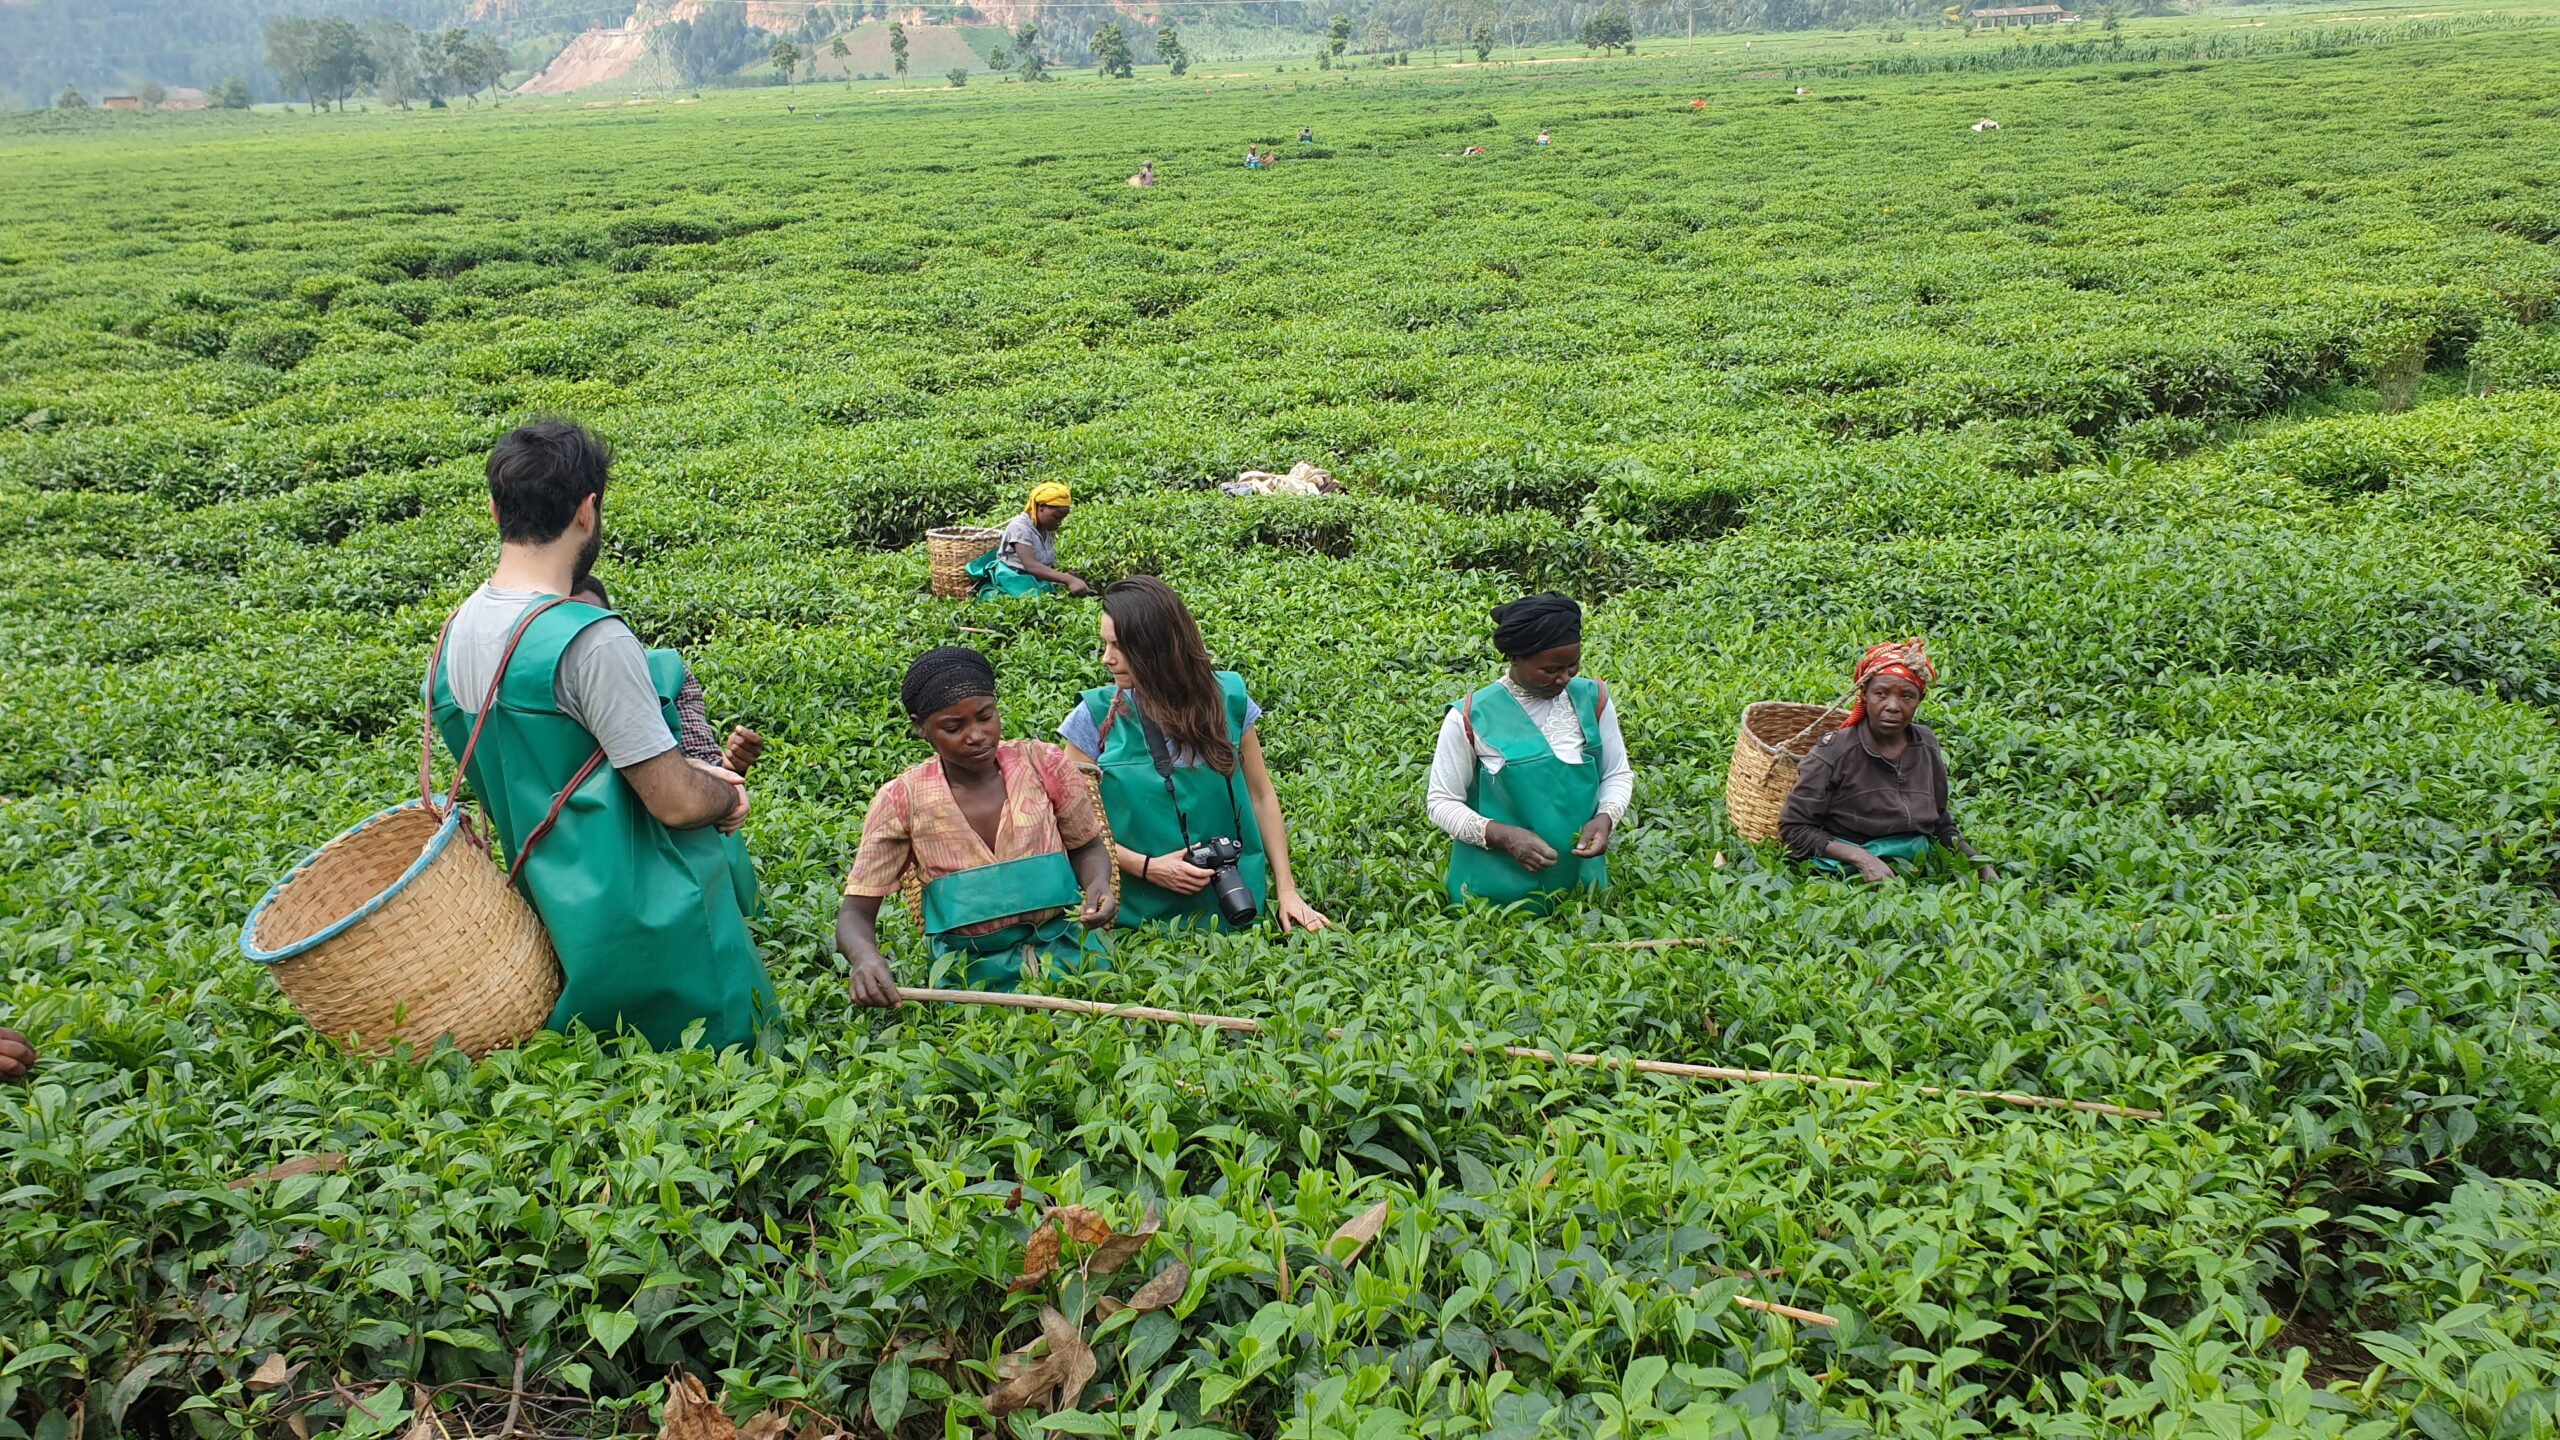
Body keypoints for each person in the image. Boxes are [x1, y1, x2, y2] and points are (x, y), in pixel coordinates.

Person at [428, 420, 776, 1050]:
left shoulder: (456, 633)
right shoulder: (590, 640)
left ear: (494, 510)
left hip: (553, 921)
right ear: (588, 510)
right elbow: (673, 799)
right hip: (666, 930)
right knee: (726, 1080)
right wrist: (725, 796)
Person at [838, 648, 1117, 1006]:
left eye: (986, 716)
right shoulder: (903, 799)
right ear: (920, 727)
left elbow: (1087, 847)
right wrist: (865, 958)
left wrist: (1097, 885)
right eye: (954, 727)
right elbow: (855, 912)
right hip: (967, 984)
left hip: (1077, 967)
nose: (977, 735)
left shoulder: (1043, 764)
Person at [1060, 577, 1329, 933]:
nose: (1107, 659)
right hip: (1136, 918)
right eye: (1105, 644)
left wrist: (1288, 891)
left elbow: (1261, 795)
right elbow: (1071, 824)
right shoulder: (1094, 717)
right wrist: (1146, 866)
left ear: (1156, 647)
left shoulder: (1228, 699)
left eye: (1119, 646)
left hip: (1235, 904)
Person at [1428, 593, 1631, 910]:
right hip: (1492, 901)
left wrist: (1606, 816)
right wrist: (1503, 836)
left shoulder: (1594, 699)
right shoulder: (1470, 717)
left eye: (1572, 665)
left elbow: (1616, 773)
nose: (1564, 678)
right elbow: (1441, 802)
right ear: (1515, 659)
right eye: (1549, 670)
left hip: (1580, 895)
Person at [1779, 639, 1996, 884]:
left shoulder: (1926, 743)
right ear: (1864, 695)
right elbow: (1794, 828)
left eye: (1907, 696)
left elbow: (1940, 821)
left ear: (1920, 699)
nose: (1892, 706)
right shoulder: (1835, 750)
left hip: (1914, 861)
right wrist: (1862, 859)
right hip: (1846, 861)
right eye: (1880, 694)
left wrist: (1977, 862)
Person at [568, 573, 764, 771]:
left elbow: (702, 761)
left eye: (594, 625)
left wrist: (729, 769)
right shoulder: (542, 688)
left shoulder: (666, 675)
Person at [970, 482, 1091, 598]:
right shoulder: (1020, 528)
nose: (1059, 522)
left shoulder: (1047, 527)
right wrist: (1068, 579)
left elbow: (1045, 563)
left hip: (1036, 579)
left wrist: (1069, 574)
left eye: (1063, 518)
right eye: (1057, 517)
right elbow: (1030, 565)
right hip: (1014, 580)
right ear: (1041, 507)